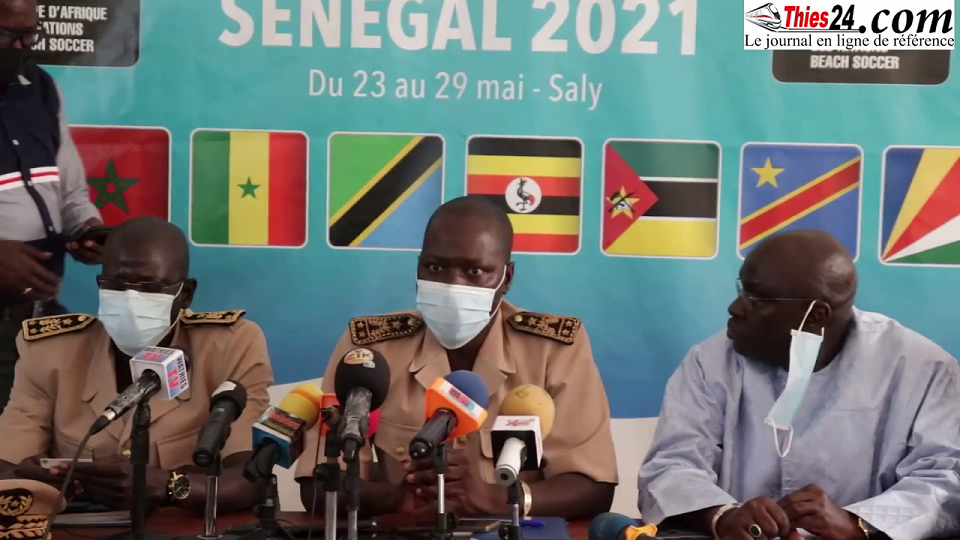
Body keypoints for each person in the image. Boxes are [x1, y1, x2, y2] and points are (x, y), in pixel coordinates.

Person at [295, 196, 617, 520]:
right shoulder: (368, 352)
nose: (452, 285)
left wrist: (497, 498)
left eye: (474, 271)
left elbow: (593, 486)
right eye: (435, 268)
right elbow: (318, 484)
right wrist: (399, 498)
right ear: (418, 268)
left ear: (506, 278)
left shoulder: (554, 351)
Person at [638, 229, 960, 540]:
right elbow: (671, 465)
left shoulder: (922, 368)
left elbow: (945, 480)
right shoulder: (709, 362)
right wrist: (723, 516)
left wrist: (857, 524)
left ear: (816, 315)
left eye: (757, 298)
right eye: (741, 291)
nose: (735, 308)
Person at [0, 217, 273, 515]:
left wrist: (169, 487)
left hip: (182, 530)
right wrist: (28, 478)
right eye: (116, 285)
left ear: (185, 294)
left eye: (149, 287)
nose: (131, 300)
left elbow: (249, 480)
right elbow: (6, 463)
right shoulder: (50, 350)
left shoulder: (230, 344)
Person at [0, 0, 106, 410]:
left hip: (37, 317)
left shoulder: (42, 88)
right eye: (7, 35)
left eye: (29, 35)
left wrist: (86, 229)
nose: (21, 47)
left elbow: (70, 193)